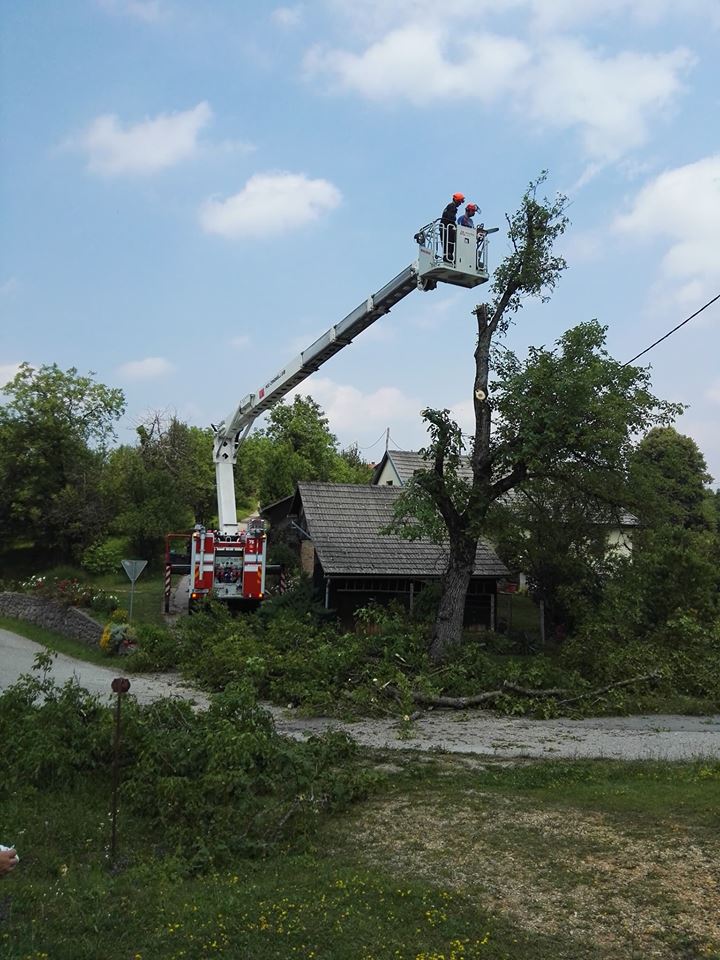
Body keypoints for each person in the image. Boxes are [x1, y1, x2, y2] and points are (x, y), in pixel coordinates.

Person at [440, 192, 464, 262]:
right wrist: (456, 227)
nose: (460, 204)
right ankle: (448, 258)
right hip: (447, 230)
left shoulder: (449, 206)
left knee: (447, 248)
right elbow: (451, 218)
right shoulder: (452, 206)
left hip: (445, 229)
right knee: (449, 248)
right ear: (456, 200)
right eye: (459, 202)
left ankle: (448, 258)